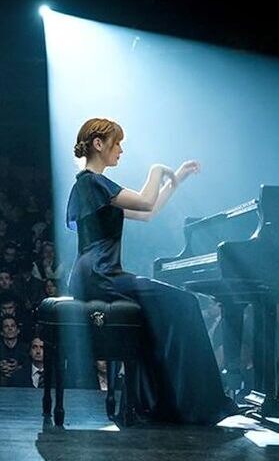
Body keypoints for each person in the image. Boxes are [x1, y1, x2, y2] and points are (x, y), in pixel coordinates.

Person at [66, 117, 235, 424]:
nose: (121, 150)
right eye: (117, 143)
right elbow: (145, 201)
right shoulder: (93, 182)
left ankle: (166, 402)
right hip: (101, 275)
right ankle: (196, 404)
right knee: (185, 303)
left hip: (98, 274)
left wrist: (176, 179)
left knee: (170, 310)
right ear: (98, 144)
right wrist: (157, 169)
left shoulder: (93, 186)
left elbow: (148, 212)